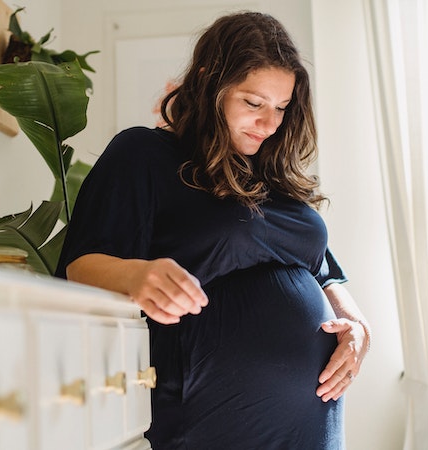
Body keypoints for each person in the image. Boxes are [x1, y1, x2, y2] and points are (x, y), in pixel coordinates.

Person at [55, 11, 370, 449]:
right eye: (253, 103)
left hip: (312, 427)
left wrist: (356, 326)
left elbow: (324, 270)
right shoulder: (145, 155)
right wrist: (136, 276)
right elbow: (79, 265)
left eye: (281, 107)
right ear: (209, 84)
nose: (270, 123)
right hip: (210, 421)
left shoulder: (274, 174)